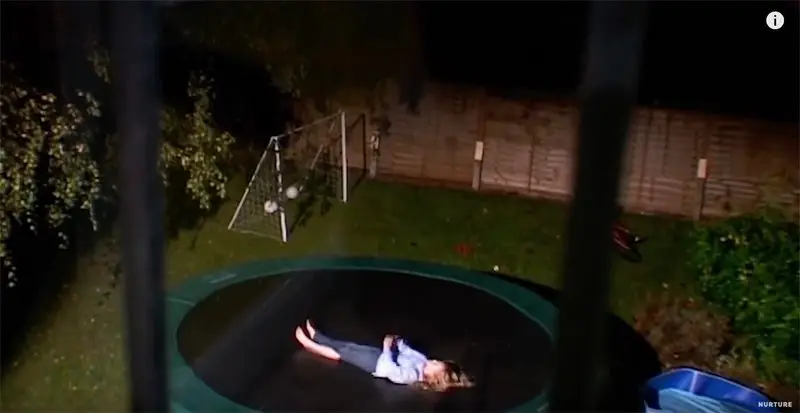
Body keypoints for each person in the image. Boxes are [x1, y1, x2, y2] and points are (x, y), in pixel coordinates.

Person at [294, 320, 474, 392]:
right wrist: (398, 342)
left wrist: (388, 349)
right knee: (349, 346)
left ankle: (311, 345)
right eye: (437, 361)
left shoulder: (412, 375)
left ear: (433, 377)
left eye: (435, 365)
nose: (433, 360)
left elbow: (391, 371)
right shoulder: (423, 360)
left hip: (375, 364)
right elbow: (407, 351)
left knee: (343, 353)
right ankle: (318, 336)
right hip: (378, 354)